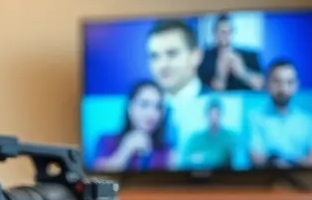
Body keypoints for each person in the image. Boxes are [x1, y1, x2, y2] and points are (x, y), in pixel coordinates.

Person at [248, 59, 312, 168]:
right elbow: (256, 158)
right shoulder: (255, 118)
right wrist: (301, 160)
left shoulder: (311, 121)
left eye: (289, 82)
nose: (283, 89)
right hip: (263, 182)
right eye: (277, 81)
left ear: (297, 85)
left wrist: (283, 161)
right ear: (267, 83)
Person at [146, 19, 204, 150]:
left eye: (172, 54)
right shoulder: (141, 113)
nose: (162, 65)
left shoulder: (219, 103)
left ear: (196, 56)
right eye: (155, 56)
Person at [92, 80, 171, 171]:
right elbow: (99, 178)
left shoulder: (166, 152)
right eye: (144, 104)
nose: (152, 114)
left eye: (158, 107)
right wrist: (126, 150)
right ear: (130, 108)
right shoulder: (107, 141)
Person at [198, 14, 264, 92]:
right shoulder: (205, 57)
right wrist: (221, 73)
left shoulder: (250, 56)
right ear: (214, 33)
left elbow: (261, 86)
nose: (225, 35)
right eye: (222, 32)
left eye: (228, 32)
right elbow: (207, 92)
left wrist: (242, 72)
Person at [182, 98, 238, 170]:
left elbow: (236, 160)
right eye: (210, 114)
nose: (214, 118)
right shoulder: (195, 138)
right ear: (206, 115)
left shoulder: (231, 137)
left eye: (217, 114)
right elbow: (185, 160)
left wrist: (203, 157)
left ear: (222, 115)